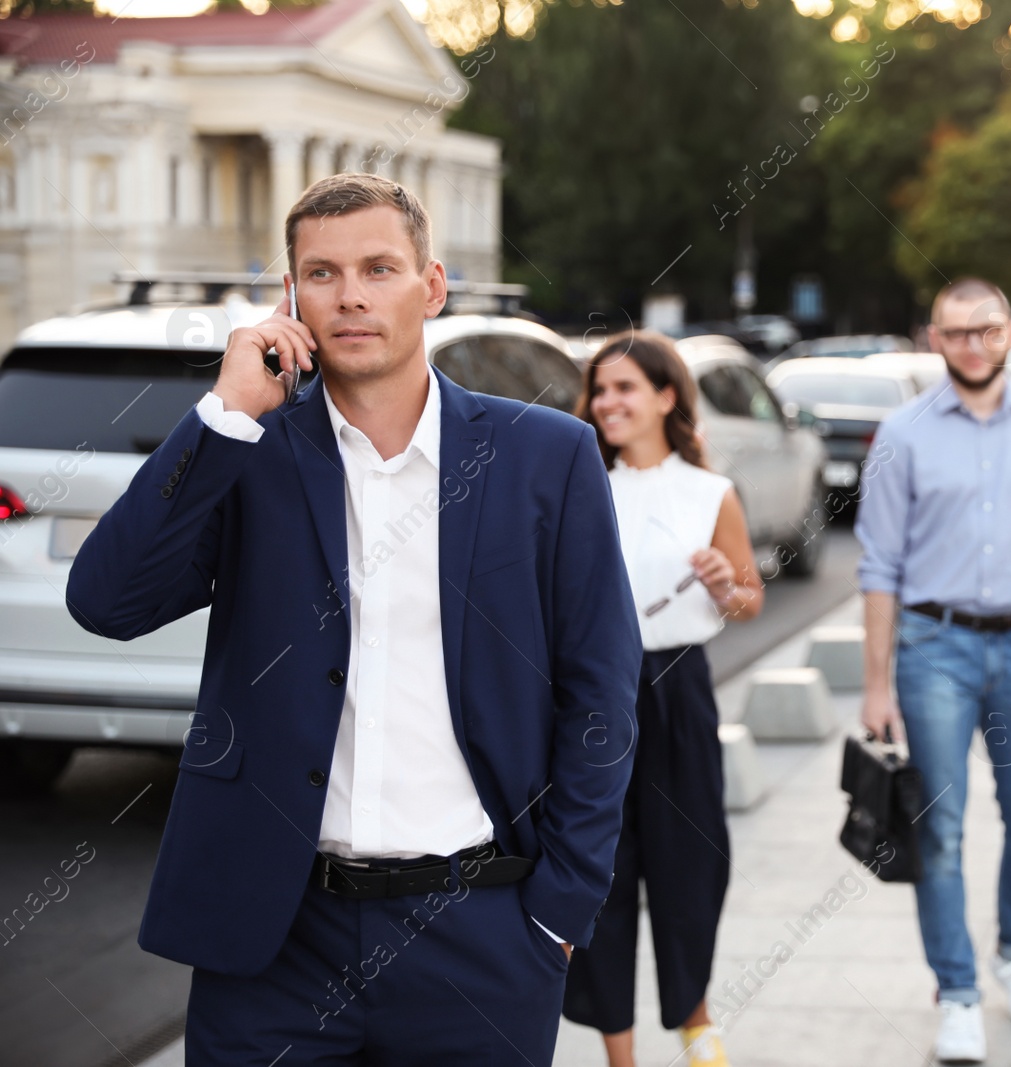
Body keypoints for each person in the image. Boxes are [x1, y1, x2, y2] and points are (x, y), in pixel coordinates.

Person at [65, 173, 642, 1065]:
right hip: (275, 941)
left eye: (379, 267)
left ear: (433, 284)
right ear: (290, 296)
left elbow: (601, 688)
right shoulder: (250, 453)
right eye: (322, 274)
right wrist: (222, 413)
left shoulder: (546, 456)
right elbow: (107, 602)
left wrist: (559, 910)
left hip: (480, 933)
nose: (353, 295)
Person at [855, 277, 1011, 1064]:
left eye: (986, 330)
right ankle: (956, 990)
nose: (972, 344)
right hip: (935, 649)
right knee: (941, 827)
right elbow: (879, 565)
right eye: (955, 332)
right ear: (935, 339)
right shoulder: (902, 432)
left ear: (1010, 333)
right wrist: (876, 682)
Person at [563, 332, 764, 1067]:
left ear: (666, 397)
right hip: (593, 694)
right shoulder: (578, 481)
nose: (607, 403)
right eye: (601, 390)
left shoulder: (711, 491)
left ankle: (694, 1019)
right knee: (601, 870)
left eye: (624, 389)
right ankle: (622, 1052)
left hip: (678, 689)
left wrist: (725, 584)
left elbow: (748, 596)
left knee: (691, 860)